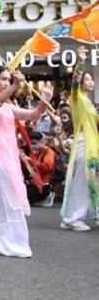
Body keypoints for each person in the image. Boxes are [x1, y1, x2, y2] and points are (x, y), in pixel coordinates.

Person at [0, 65, 52, 258]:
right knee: (5, 194)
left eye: (8, 79)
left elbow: (32, 116)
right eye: (3, 79)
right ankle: (9, 241)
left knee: (12, 193)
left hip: (9, 152)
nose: (7, 83)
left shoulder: (8, 105)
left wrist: (44, 101)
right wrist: (15, 86)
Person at [61, 46, 99, 231]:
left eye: (92, 79)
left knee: (90, 180)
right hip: (84, 142)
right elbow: (75, 82)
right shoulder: (76, 98)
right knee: (82, 181)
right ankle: (73, 218)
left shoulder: (90, 103)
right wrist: (80, 61)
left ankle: (73, 216)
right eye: (87, 79)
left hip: (93, 144)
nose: (90, 82)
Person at [25, 131, 55, 207]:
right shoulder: (33, 152)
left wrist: (31, 161)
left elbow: (47, 167)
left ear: (40, 141)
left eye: (34, 143)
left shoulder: (48, 152)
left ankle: (48, 194)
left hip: (43, 184)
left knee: (25, 200)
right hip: (33, 181)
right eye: (31, 143)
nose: (32, 145)